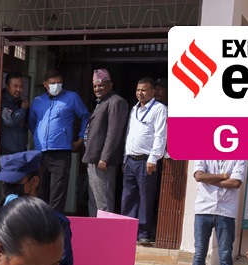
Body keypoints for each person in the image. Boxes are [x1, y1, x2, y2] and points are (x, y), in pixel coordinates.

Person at [0, 150, 73, 265]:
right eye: (6, 183)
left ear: (34, 181)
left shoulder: (52, 222)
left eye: (15, 183)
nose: (9, 189)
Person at [28, 69, 90, 211]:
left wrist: (81, 138)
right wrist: (39, 137)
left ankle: (55, 226)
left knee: (58, 193)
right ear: (45, 84)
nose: (56, 85)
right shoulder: (37, 101)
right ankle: (41, 225)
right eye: (52, 83)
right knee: (40, 190)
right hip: (40, 153)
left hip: (61, 153)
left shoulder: (72, 97)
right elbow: (32, 122)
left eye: (59, 83)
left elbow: (86, 117)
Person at [121, 78, 168, 244]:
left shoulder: (159, 109)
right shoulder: (134, 109)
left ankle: (143, 234)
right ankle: (127, 231)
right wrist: (125, 157)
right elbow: (129, 134)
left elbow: (160, 135)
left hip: (145, 160)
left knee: (145, 198)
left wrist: (153, 158)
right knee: (128, 197)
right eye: (138, 90)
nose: (140, 93)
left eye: (144, 90)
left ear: (153, 92)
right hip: (131, 159)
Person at [80, 69, 128, 217]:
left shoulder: (116, 102)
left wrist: (105, 157)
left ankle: (105, 235)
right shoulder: (102, 102)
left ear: (110, 85)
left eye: (100, 85)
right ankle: (95, 231)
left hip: (103, 160)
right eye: (95, 86)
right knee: (93, 198)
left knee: (103, 201)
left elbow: (114, 133)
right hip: (93, 158)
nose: (97, 89)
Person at [190, 160, 246, 265]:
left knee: (225, 254)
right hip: (204, 209)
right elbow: (199, 176)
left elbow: (236, 183)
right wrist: (225, 176)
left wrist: (209, 179)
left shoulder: (239, 157)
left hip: (226, 211)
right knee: (199, 253)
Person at [0, 71, 29, 156]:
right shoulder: (2, 101)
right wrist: (23, 109)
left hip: (19, 152)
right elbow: (9, 120)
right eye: (15, 86)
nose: (19, 90)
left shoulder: (19, 102)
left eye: (21, 86)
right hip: (7, 154)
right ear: (7, 85)